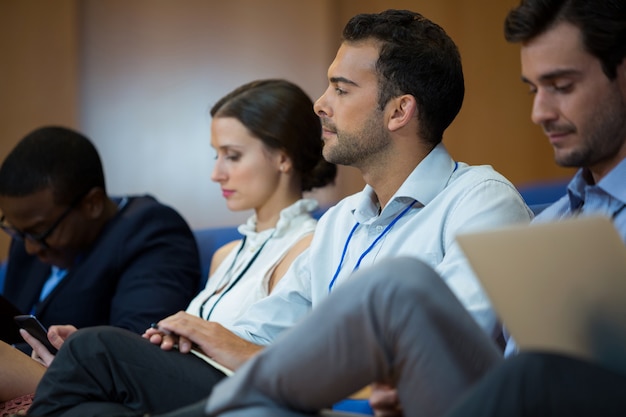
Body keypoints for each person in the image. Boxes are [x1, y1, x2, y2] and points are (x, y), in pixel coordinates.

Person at [27, 9, 532, 417]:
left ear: (399, 111)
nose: (319, 104)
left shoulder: (480, 201)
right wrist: (185, 338)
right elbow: (261, 331)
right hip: (286, 398)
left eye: (341, 88)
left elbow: (435, 360)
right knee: (98, 390)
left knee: (96, 352)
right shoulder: (341, 221)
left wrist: (229, 346)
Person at [181, 1, 626, 416]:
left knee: (399, 284)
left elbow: (457, 355)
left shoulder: (483, 201)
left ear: (400, 112)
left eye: (562, 86)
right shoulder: (554, 224)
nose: (539, 113)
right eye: (533, 89)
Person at [0, 78, 336, 415]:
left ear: (282, 157)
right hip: (185, 381)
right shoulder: (226, 255)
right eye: (216, 155)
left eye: (232, 156)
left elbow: (322, 360)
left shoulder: (313, 246)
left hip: (244, 387)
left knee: (92, 345)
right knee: (90, 404)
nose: (216, 173)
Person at [0, 126, 202, 412]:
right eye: (18, 233)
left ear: (93, 204)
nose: (31, 248)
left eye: (39, 233)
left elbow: (135, 346)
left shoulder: (151, 231)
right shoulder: (29, 236)